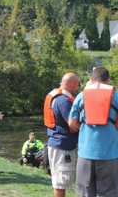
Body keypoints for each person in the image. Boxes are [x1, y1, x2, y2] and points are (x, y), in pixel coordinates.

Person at [69, 66, 118, 197]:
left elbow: (71, 123)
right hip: (110, 154)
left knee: (85, 193)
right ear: (108, 80)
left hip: (85, 154)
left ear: (91, 79)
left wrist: (84, 130)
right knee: (109, 193)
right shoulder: (116, 95)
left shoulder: (81, 96)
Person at [43, 72, 79, 197]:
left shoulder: (60, 97)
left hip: (58, 143)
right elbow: (73, 125)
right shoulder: (63, 101)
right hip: (63, 147)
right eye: (77, 83)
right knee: (60, 183)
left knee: (60, 181)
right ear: (72, 84)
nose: (78, 86)